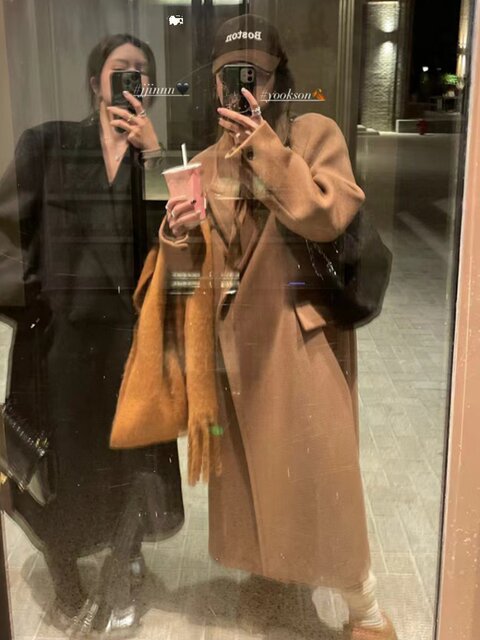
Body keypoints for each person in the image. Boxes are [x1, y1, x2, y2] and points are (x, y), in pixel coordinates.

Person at [157, 14, 397, 640]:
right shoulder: (204, 163)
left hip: (302, 340)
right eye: (229, 77)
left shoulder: (314, 134)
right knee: (257, 479)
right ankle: (274, 577)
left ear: (277, 79)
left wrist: (264, 148)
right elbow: (194, 275)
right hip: (240, 351)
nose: (243, 89)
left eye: (256, 76)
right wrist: (177, 235)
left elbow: (325, 213)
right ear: (214, 85)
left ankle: (367, 609)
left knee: (324, 475)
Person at [0, 34, 184, 634]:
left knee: (131, 462)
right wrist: (37, 303)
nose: (133, 79)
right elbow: (4, 232)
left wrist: (155, 160)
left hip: (131, 342)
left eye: (143, 73)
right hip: (63, 345)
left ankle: (124, 558)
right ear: (93, 82)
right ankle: (66, 574)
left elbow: (178, 249)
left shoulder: (154, 161)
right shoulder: (48, 145)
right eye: (121, 69)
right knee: (66, 467)